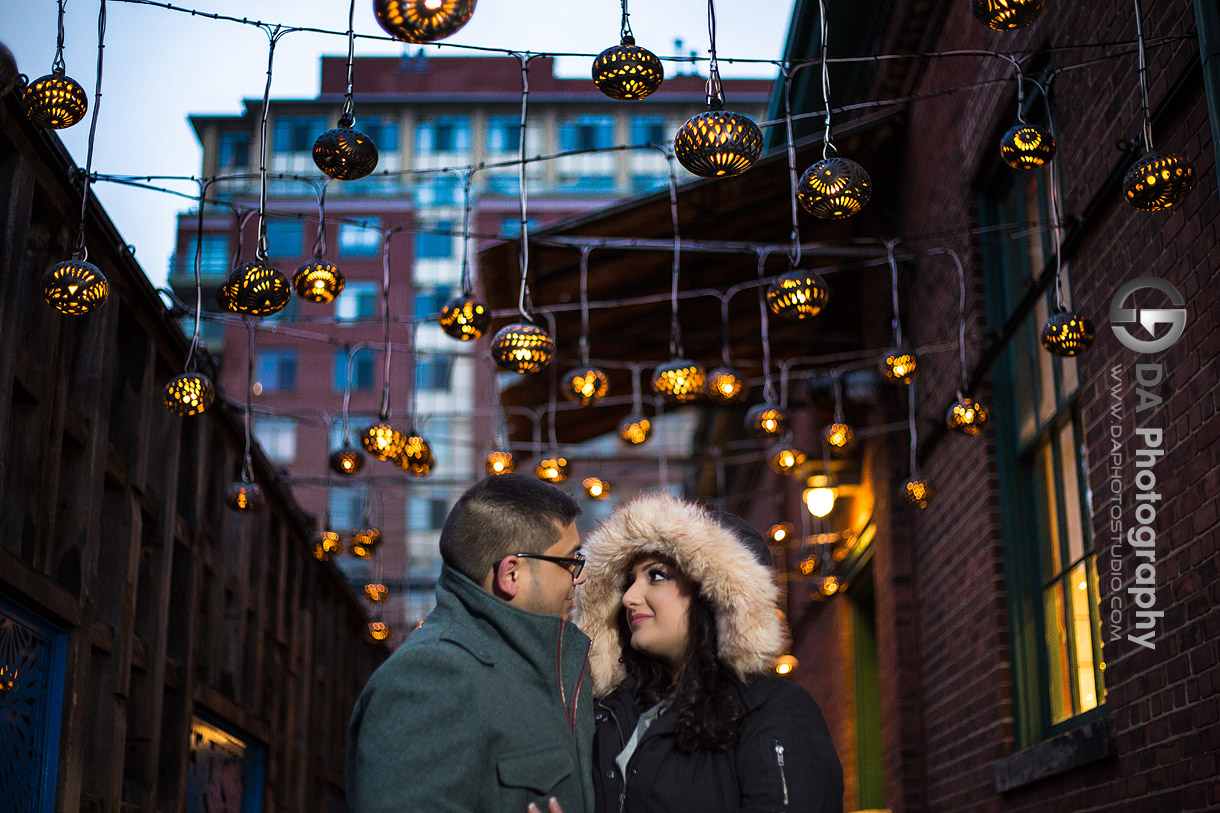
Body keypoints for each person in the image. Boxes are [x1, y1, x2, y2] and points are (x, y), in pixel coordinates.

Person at [570, 491, 844, 813]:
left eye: (656, 576)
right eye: (629, 581)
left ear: (712, 595)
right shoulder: (606, 713)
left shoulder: (773, 710)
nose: (629, 596)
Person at [346, 473, 595, 813]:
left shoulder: (538, 665)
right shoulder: (428, 679)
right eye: (570, 561)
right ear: (511, 574)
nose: (578, 576)